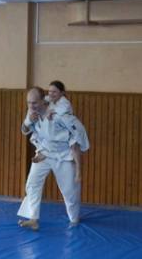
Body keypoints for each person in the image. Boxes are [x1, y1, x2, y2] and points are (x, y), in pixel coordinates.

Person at [17, 87, 90, 230]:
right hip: (44, 153)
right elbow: (25, 130)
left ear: (43, 100)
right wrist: (27, 122)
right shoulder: (32, 113)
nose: (31, 106)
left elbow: (77, 132)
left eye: (34, 103)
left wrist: (78, 155)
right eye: (29, 103)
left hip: (63, 155)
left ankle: (74, 220)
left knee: (70, 191)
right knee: (32, 185)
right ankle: (33, 219)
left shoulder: (59, 113)